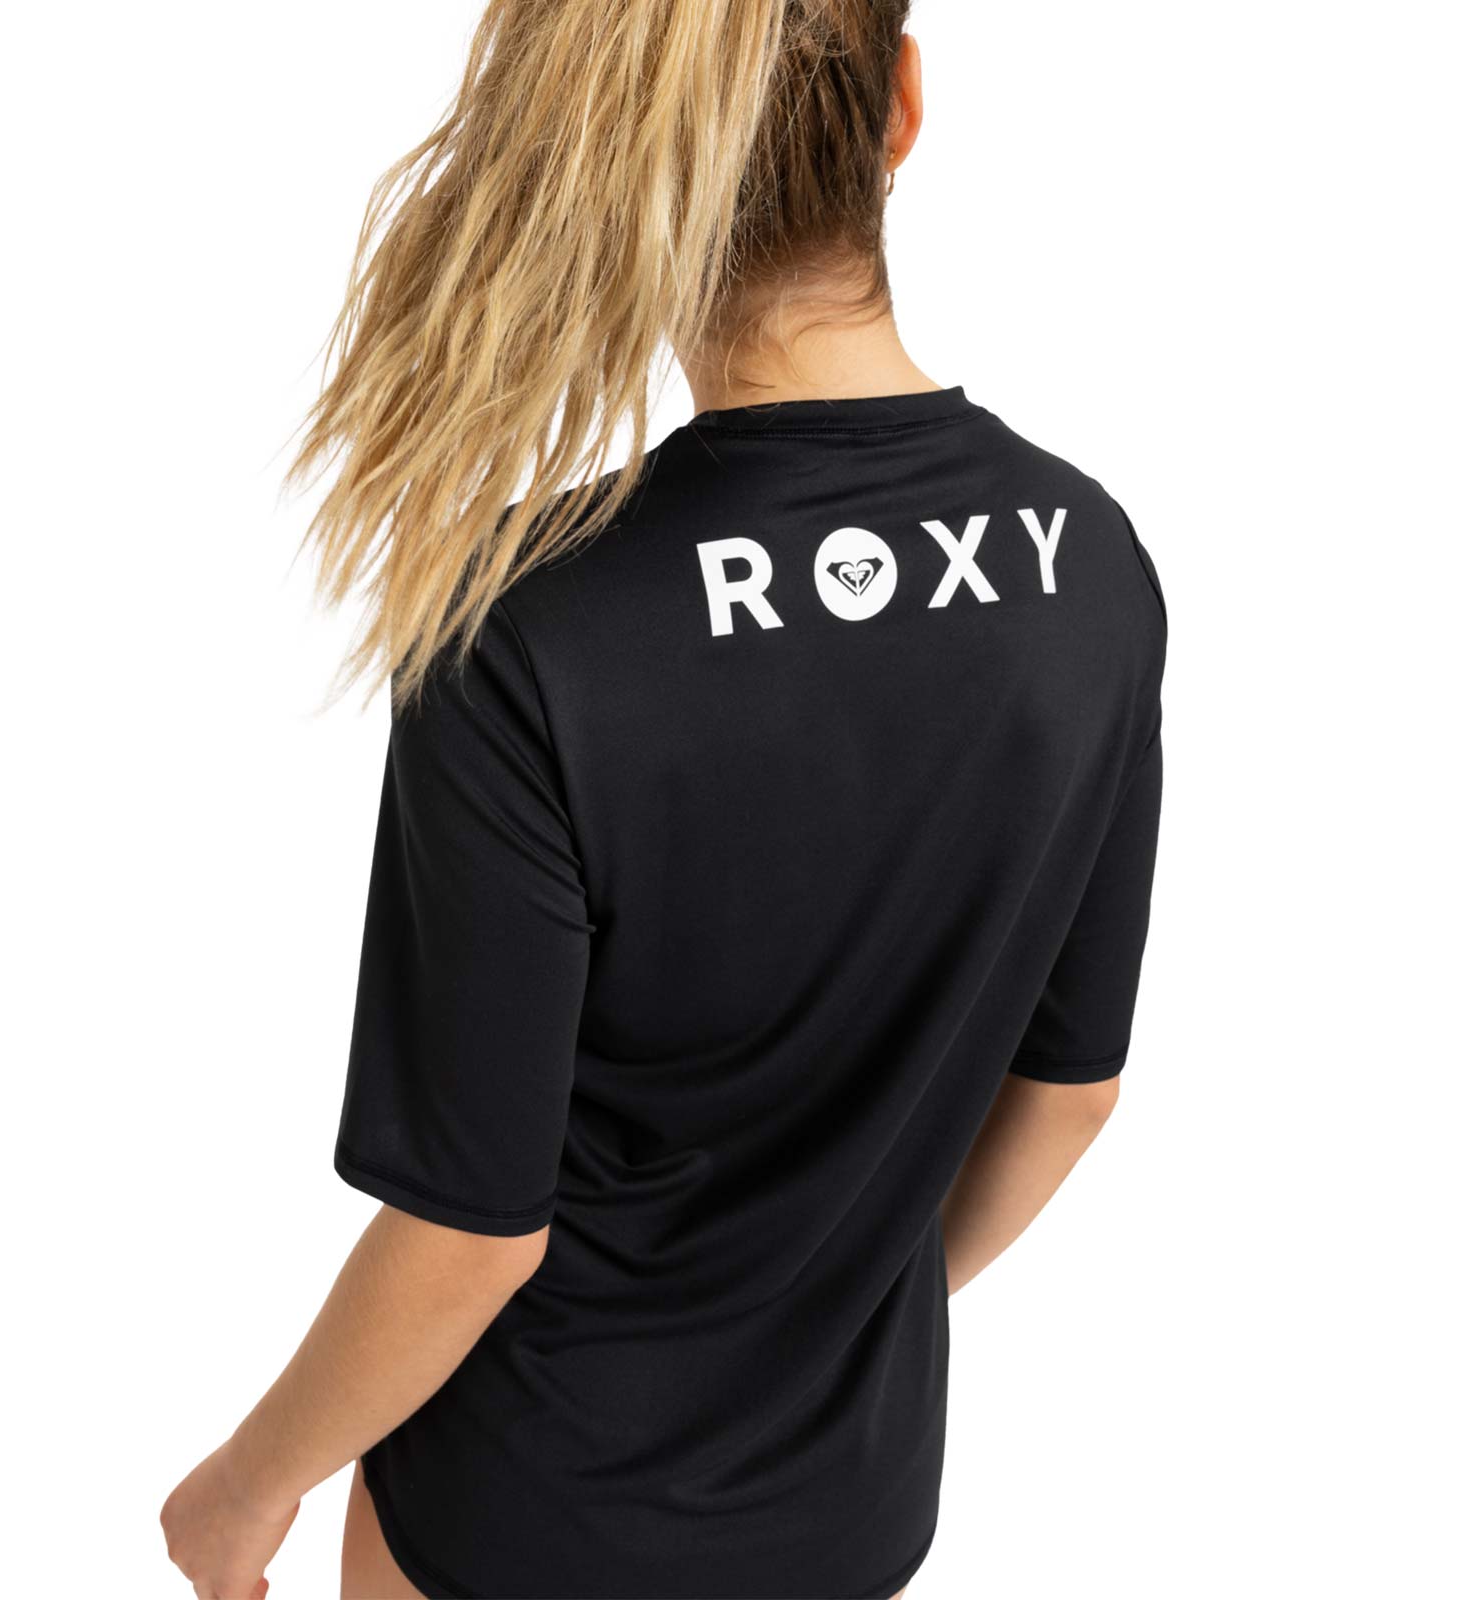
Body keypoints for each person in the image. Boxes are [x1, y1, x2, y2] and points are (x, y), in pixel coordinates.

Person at [160, 1, 1166, 1596]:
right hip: (848, 1515)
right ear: (903, 105)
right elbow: (1072, 1093)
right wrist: (820, 1324)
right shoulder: (1089, 565)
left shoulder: (527, 628)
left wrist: (243, 1487)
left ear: (607, 165)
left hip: (520, 1524)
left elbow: (471, 1234)